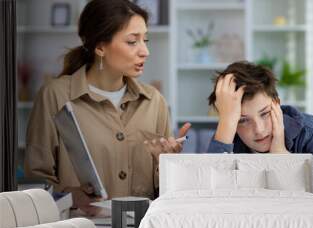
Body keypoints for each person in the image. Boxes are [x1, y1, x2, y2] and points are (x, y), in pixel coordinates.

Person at [24, 0, 190, 215]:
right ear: (100, 46)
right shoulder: (55, 96)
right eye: (132, 41)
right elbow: (34, 183)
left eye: (145, 40)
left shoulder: (154, 101)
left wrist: (167, 164)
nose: (145, 51)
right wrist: (69, 195)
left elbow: (166, 196)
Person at [207, 61, 313, 197]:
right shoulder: (227, 134)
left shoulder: (308, 129)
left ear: (277, 103)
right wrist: (226, 123)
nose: (259, 130)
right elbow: (209, 194)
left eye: (265, 113)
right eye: (242, 120)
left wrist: (281, 156)